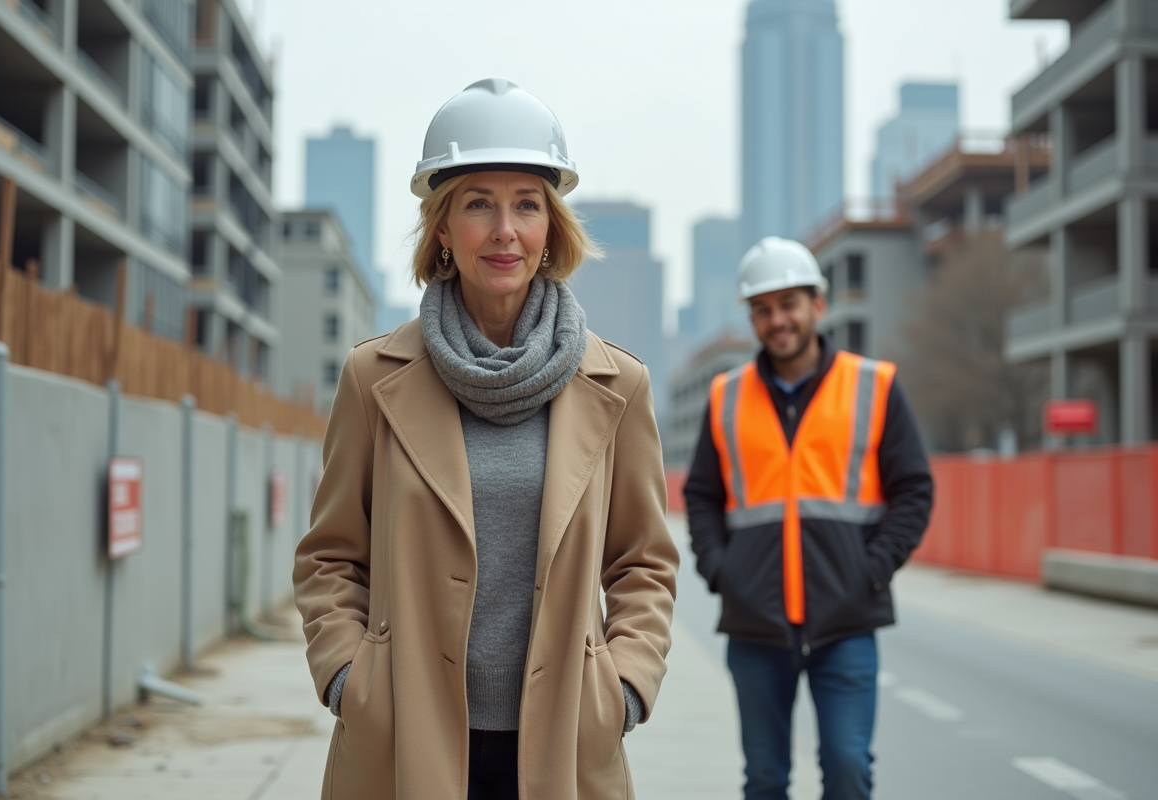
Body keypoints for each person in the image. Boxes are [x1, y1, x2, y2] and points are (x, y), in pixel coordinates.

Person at [293, 78, 678, 800]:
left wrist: (622, 688)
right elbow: (331, 557)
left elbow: (644, 564)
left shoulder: (618, 385)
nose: (505, 230)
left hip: (565, 740)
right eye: (478, 204)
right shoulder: (373, 379)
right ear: (442, 227)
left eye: (527, 205)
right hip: (403, 740)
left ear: (550, 228)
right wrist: (351, 679)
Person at [683, 237, 933, 800]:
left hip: (846, 620)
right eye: (763, 309)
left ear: (818, 305)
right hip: (755, 624)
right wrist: (723, 572)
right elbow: (701, 494)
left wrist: (873, 569)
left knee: (848, 769)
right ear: (752, 318)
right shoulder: (726, 396)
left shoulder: (873, 386)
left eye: (788, 304)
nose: (778, 320)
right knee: (765, 779)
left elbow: (913, 489)